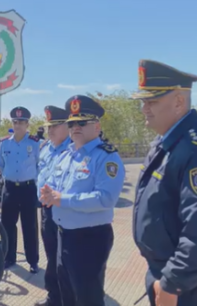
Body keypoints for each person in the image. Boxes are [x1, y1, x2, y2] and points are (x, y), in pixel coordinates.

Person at [131, 59, 197, 306]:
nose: (144, 109)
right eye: (143, 102)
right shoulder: (169, 143)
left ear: (179, 101)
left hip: (189, 286)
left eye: (152, 101)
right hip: (168, 273)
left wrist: (172, 283)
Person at [40, 95, 125, 306]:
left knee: (88, 298)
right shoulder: (66, 156)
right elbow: (52, 186)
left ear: (96, 126)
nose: (75, 127)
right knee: (67, 294)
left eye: (82, 122)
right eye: (72, 123)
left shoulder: (106, 156)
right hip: (63, 236)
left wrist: (63, 199)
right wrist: (47, 194)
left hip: (89, 239)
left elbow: (106, 199)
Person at [34, 106, 72, 306]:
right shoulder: (45, 148)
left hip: (64, 212)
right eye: (48, 126)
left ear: (67, 126)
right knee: (51, 256)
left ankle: (66, 299)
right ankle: (53, 297)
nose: (50, 130)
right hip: (46, 211)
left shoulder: (74, 149)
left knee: (64, 261)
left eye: (55, 126)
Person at [0, 106, 40, 273]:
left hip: (28, 189)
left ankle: (33, 260)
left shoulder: (35, 144)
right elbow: (0, 163)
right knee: (7, 225)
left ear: (27, 124)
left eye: (21, 122)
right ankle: (9, 257)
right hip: (9, 189)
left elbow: (39, 165)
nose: (18, 125)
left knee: (30, 226)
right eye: (15, 122)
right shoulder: (4, 143)